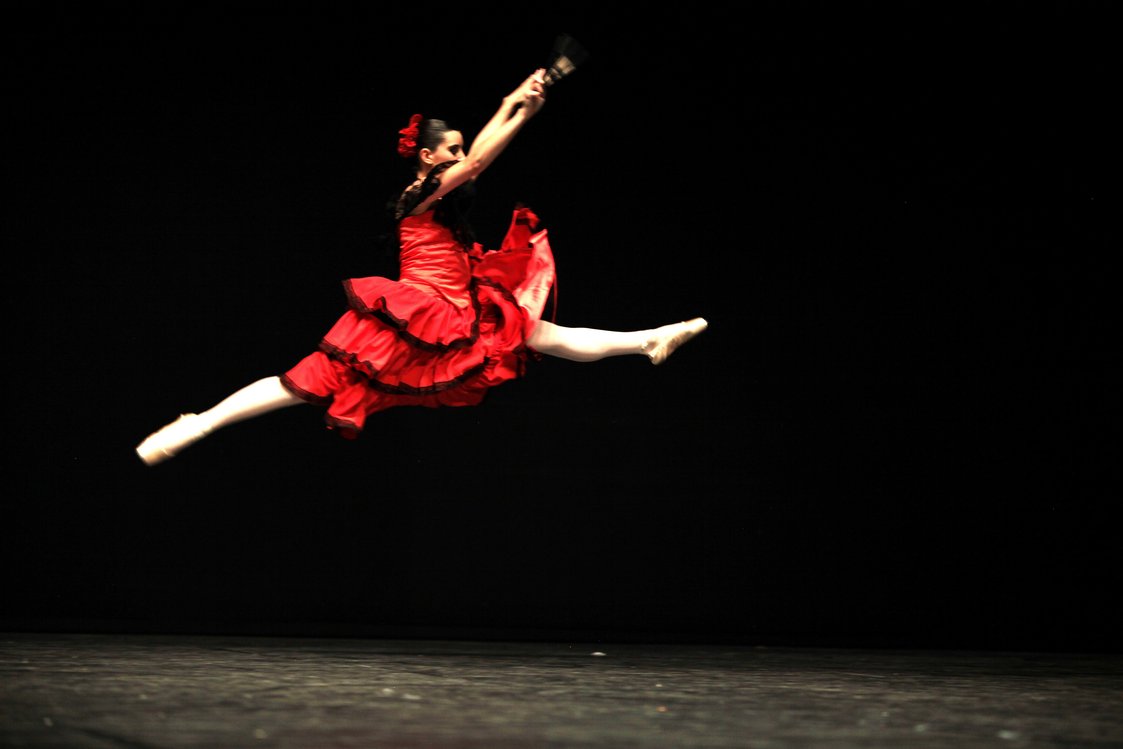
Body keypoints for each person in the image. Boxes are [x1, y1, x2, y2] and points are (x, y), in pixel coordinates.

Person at [136, 68, 707, 466]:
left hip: (458, 311)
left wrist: (514, 102)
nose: (459, 158)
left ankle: (649, 340)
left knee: (542, 335)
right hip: (420, 315)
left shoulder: (437, 192)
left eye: (458, 150)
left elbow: (475, 158)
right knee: (306, 382)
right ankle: (198, 423)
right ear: (428, 157)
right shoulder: (417, 196)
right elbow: (477, 161)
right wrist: (518, 113)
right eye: (450, 151)